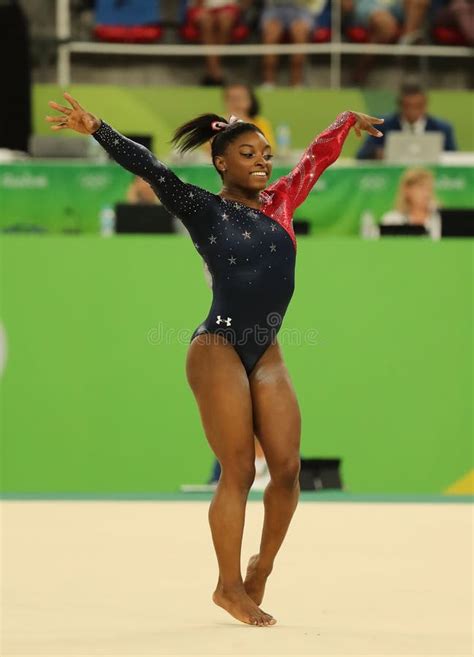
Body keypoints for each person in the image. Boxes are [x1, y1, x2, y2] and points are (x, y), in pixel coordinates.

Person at [46, 92, 383, 628]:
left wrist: (344, 121)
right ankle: (227, 587)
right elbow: (151, 167)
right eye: (249, 153)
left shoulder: (281, 202)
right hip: (218, 348)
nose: (263, 161)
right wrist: (98, 128)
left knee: (289, 469)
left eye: (266, 153)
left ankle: (260, 568)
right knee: (240, 469)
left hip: (266, 351)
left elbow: (318, 157)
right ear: (221, 162)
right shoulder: (204, 208)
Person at [357, 81, 457, 160]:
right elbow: (361, 156)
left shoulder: (442, 128)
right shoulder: (381, 125)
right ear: (400, 105)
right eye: (408, 106)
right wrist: (378, 154)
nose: (412, 111)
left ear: (425, 105)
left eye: (418, 106)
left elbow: (455, 159)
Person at [260, 0, 319, 87]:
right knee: (270, 35)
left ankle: (297, 84)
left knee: (300, 34)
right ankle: (269, 83)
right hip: (273, 8)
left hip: (301, 8)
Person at [186, 0, 243, 86]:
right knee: (206, 22)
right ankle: (216, 73)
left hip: (227, 6)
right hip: (200, 6)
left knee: (225, 21)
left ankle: (212, 71)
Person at [380, 167, 441, 239]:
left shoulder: (440, 219)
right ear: (407, 190)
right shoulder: (392, 220)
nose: (426, 193)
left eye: (429, 188)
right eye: (421, 188)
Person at [223, 82, 277, 151]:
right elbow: (210, 149)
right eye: (231, 99)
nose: (235, 103)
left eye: (239, 98)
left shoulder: (260, 123)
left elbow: (269, 148)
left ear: (249, 101)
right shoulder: (219, 123)